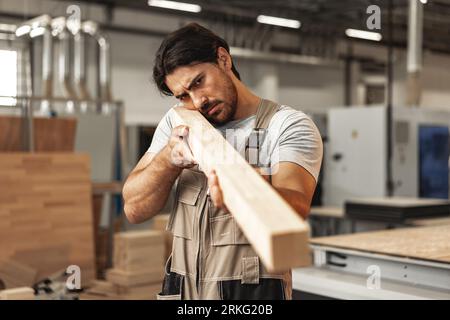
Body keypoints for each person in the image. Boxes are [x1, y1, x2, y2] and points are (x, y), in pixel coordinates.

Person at [122, 23, 323, 300]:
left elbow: (296, 207)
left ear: (223, 59)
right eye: (183, 96)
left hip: (250, 293)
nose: (197, 100)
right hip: (182, 290)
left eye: (198, 82)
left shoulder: (286, 125)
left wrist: (243, 183)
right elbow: (134, 209)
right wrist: (169, 160)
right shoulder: (179, 122)